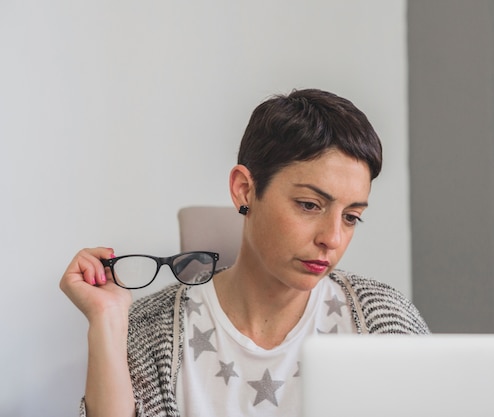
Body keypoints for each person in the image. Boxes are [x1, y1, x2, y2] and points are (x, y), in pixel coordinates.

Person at [60, 88, 430, 417]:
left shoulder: (386, 321)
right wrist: (107, 321)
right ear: (244, 190)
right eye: (309, 205)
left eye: (351, 217)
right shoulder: (151, 330)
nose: (332, 238)